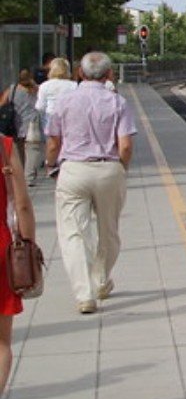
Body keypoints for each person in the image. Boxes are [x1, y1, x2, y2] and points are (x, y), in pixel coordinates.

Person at [43, 52, 138, 314]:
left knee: (73, 233)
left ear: (80, 74)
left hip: (73, 170)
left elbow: (53, 142)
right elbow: (126, 146)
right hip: (109, 168)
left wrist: (51, 166)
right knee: (109, 230)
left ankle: (84, 294)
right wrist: (121, 168)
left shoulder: (64, 101)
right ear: (109, 75)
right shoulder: (118, 102)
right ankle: (100, 280)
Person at [2, 125, 40, 399]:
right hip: (1, 253)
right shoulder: (4, 146)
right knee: (1, 343)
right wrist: (29, 245)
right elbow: (22, 204)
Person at [2, 71, 41, 184]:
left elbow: (2, 103)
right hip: (32, 124)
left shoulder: (12, 89)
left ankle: (20, 174)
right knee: (32, 150)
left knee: (19, 150)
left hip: (16, 123)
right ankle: (29, 176)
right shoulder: (36, 89)